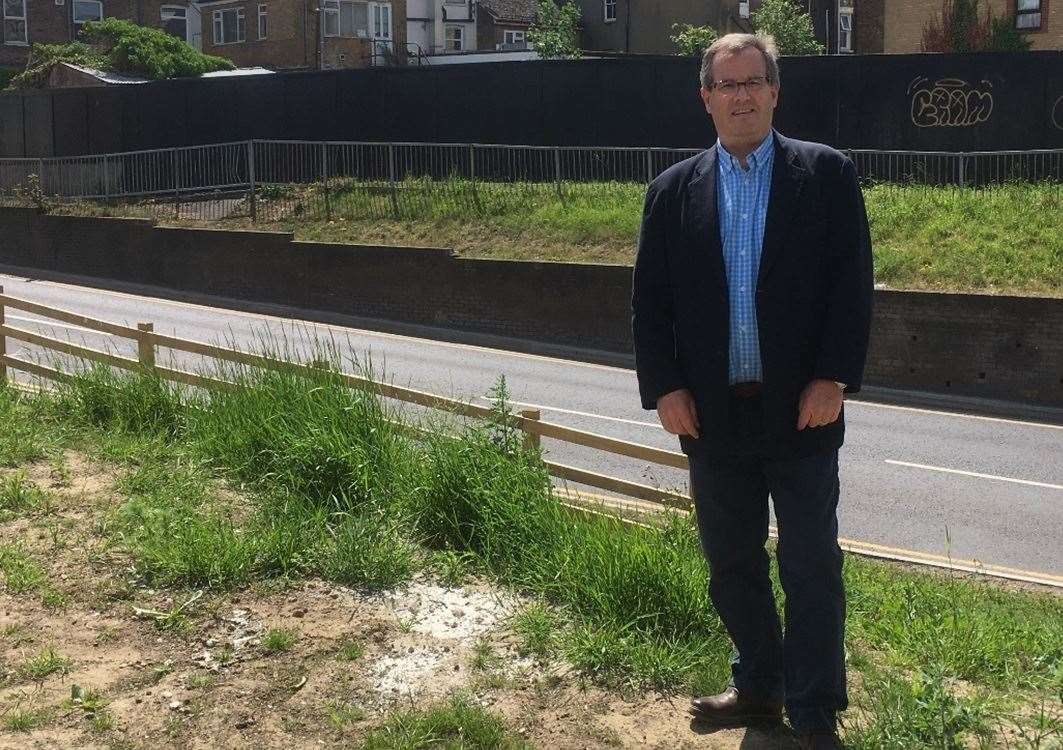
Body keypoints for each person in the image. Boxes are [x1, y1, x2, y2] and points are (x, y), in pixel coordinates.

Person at [631, 33, 873, 750]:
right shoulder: (670, 192)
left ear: (774, 91)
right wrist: (665, 388)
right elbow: (651, 305)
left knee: (809, 566)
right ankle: (759, 687)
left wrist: (832, 376)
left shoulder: (826, 176)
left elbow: (849, 288)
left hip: (802, 410)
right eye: (725, 83)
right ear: (704, 96)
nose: (739, 95)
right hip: (710, 418)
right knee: (732, 565)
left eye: (752, 81)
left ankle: (813, 706)